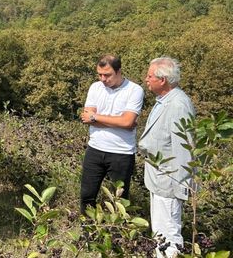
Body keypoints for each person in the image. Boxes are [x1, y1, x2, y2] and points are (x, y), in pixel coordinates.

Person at [139, 57, 195, 258]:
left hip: (169, 181)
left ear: (162, 80)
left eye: (150, 76)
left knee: (169, 233)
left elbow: (185, 148)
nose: (146, 79)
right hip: (160, 179)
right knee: (160, 232)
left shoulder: (178, 104)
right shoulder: (165, 101)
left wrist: (182, 186)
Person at [79, 55, 144, 213]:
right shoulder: (95, 87)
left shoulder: (134, 90)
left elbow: (128, 122)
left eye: (107, 75)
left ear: (119, 71)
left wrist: (96, 118)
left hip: (121, 152)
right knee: (87, 195)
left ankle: (118, 236)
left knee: (119, 200)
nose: (103, 79)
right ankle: (88, 233)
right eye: (100, 74)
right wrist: (121, 122)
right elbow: (86, 117)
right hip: (95, 149)